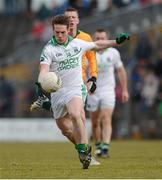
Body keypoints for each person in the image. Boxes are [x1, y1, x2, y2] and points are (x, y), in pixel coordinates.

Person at [36, 14, 129, 169]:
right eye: (56, 32)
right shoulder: (49, 49)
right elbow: (43, 70)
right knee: (65, 129)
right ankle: (83, 148)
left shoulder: (78, 44)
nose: (59, 35)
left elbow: (98, 45)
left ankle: (83, 151)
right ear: (53, 31)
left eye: (62, 32)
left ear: (68, 30)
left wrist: (116, 42)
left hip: (75, 88)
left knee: (75, 113)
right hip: (57, 92)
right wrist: (40, 83)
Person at [30, 7, 98, 112]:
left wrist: (93, 77)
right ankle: (50, 106)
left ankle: (49, 106)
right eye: (68, 17)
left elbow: (92, 58)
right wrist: (44, 79)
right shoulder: (54, 42)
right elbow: (44, 65)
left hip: (80, 80)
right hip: (61, 81)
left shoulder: (85, 38)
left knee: (78, 115)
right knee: (66, 119)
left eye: (73, 17)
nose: (70, 19)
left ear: (77, 20)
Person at [86, 29, 129, 158]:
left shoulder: (113, 52)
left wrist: (125, 89)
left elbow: (121, 71)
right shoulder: (89, 52)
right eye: (97, 37)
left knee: (106, 118)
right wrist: (86, 85)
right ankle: (98, 145)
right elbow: (82, 71)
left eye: (102, 37)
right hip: (93, 91)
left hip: (108, 90)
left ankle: (105, 148)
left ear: (107, 38)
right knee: (95, 121)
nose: (100, 40)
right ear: (94, 39)